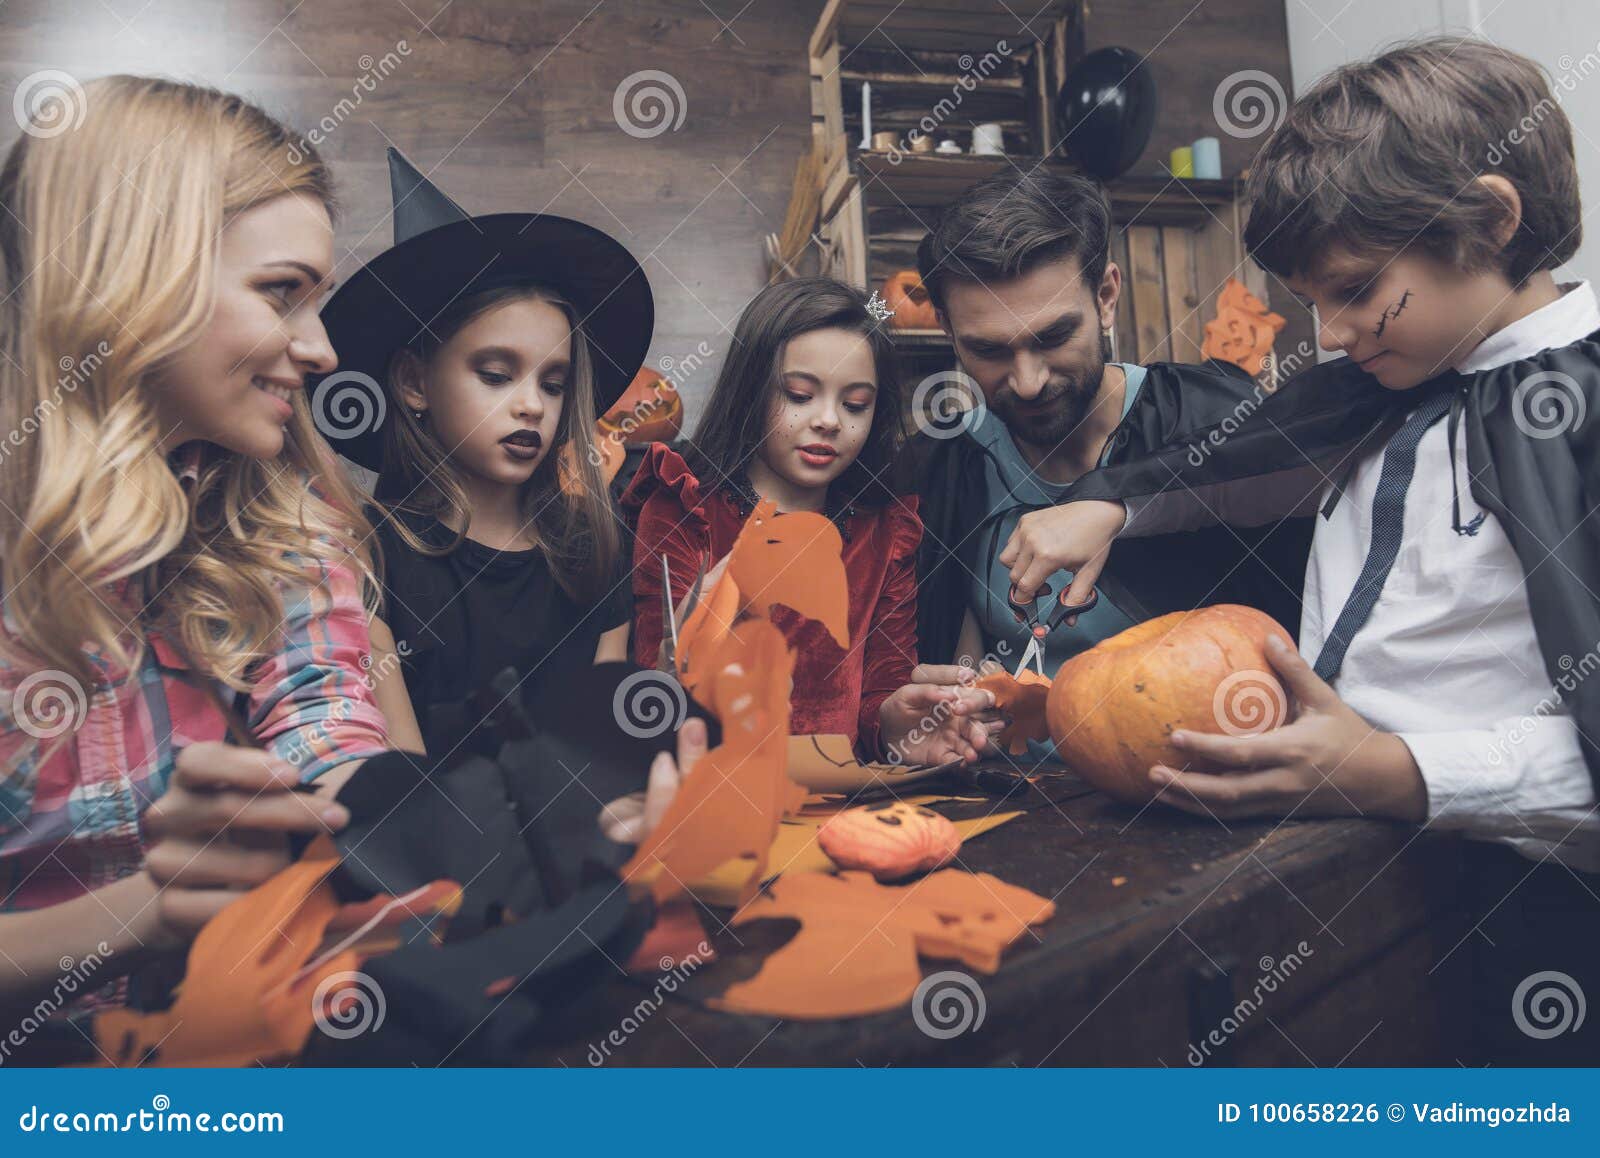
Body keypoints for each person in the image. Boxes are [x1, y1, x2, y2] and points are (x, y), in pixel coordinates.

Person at [994, 38, 1599, 1062]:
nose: (1326, 335)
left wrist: (1399, 771)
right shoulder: (1381, 389)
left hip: (1539, 919)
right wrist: (1114, 508)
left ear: (1491, 220)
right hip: (1353, 879)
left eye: (1358, 290)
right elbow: (1245, 464)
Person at [902, 169, 1312, 686]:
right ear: (946, 328)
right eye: (988, 349)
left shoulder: (1215, 419)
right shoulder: (941, 465)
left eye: (1053, 337)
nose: (1027, 383)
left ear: (1106, 296)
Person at [316, 149, 651, 756]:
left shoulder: (597, 545)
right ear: (416, 383)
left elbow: (604, 757)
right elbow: (406, 785)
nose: (531, 406)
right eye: (496, 375)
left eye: (553, 385)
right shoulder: (368, 555)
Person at [624, 277, 993, 766]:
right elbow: (654, 702)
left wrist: (902, 727)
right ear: (750, 392)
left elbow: (881, 693)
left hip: (837, 805)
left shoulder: (884, 533)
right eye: (799, 395)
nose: (829, 420)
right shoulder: (684, 509)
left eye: (855, 404)